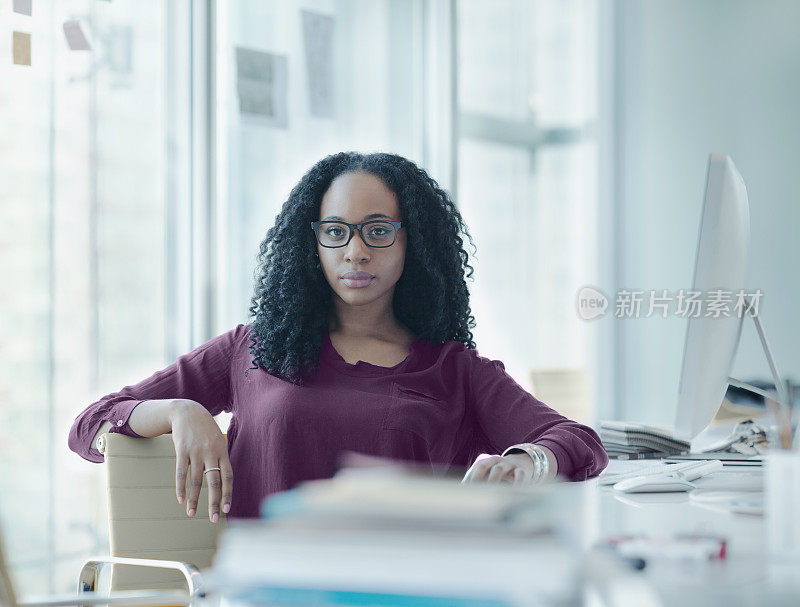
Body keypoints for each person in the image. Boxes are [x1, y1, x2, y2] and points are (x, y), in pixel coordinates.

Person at [68, 151, 608, 521]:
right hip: (269, 593)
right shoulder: (251, 348)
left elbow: (580, 444)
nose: (355, 252)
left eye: (378, 231)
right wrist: (180, 410)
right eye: (336, 232)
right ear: (314, 243)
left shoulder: (454, 369)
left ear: (410, 243)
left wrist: (524, 460)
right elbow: (89, 427)